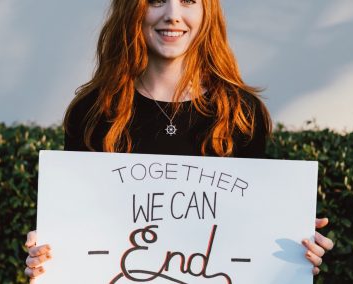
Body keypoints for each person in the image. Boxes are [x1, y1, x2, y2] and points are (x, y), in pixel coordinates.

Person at [24, 0, 334, 281]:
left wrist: (297, 250)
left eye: (188, 1)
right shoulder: (92, 111)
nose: (173, 15)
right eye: (157, 1)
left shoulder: (240, 112)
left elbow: (255, 231)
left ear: (206, 11)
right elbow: (76, 226)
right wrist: (48, 257)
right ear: (133, 9)